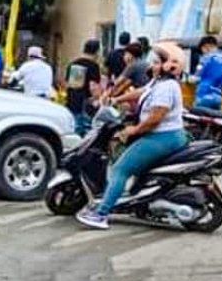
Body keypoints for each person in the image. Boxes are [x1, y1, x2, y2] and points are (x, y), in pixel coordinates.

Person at [76, 43, 188, 230]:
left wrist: (133, 130)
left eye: (156, 62)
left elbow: (155, 118)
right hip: (163, 136)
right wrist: (116, 99)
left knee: (120, 169)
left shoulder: (166, 87)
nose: (151, 65)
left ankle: (101, 214)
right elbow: (142, 91)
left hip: (162, 138)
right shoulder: (158, 82)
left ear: (169, 65)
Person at [64, 39, 102, 135]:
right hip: (85, 103)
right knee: (85, 131)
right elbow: (93, 87)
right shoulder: (93, 66)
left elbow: (66, 83)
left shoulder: (73, 63)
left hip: (71, 100)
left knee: (73, 128)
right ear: (97, 51)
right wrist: (98, 99)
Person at [192, 36, 222, 109]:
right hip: (219, 96)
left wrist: (190, 78)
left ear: (205, 47)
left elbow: (196, 77)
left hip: (204, 94)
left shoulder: (205, 58)